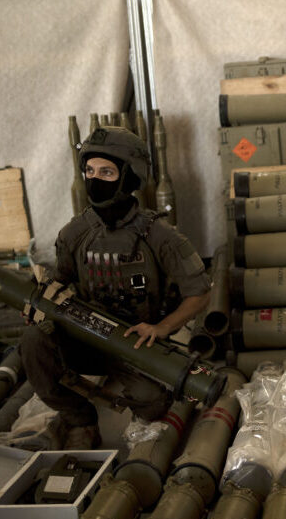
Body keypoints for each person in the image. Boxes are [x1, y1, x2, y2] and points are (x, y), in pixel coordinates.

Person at [19, 126, 211, 449]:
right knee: (33, 344)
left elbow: (201, 291)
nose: (95, 179)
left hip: (135, 343)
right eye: (90, 171)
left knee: (153, 402)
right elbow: (59, 281)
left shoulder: (160, 236)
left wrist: (161, 328)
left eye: (107, 172)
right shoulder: (74, 233)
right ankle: (80, 419)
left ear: (130, 176)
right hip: (84, 337)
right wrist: (40, 305)